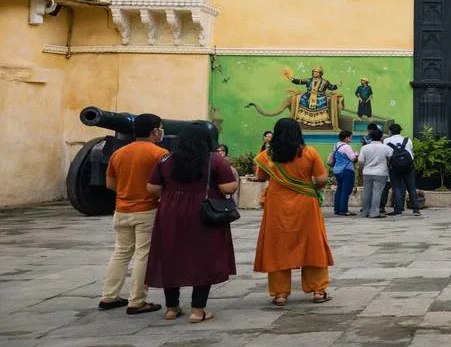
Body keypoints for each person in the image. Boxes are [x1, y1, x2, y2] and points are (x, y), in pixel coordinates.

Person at [146, 123, 238, 323]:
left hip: (169, 213)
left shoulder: (166, 159)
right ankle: (197, 310)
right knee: (203, 258)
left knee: (171, 255)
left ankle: (172, 308)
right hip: (202, 213)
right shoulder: (215, 161)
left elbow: (152, 189)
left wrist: (173, 194)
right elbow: (228, 187)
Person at [253, 118, 334, 306]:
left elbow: (260, 176)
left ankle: (280, 294)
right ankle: (318, 290)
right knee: (312, 243)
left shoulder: (267, 155)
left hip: (277, 206)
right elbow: (321, 179)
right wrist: (309, 187)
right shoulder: (309, 152)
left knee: (277, 246)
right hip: (306, 205)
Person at [98, 113, 166, 315]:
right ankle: (137, 300)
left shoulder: (118, 153)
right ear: (155, 131)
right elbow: (162, 184)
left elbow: (110, 184)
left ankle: (109, 296)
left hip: (121, 209)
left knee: (120, 253)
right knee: (143, 255)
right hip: (147, 209)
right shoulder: (159, 153)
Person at [385, 123, 420, 217]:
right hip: (408, 167)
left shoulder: (386, 141)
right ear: (400, 130)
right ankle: (416, 209)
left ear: (390, 131)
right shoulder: (407, 140)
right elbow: (411, 151)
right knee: (411, 188)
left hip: (395, 167)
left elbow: (387, 155)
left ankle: (398, 209)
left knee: (396, 187)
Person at [358, 128, 391, 219]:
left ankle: (365, 212)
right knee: (377, 193)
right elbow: (391, 158)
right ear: (381, 137)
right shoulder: (386, 147)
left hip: (367, 172)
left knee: (367, 192)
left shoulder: (364, 148)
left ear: (371, 137)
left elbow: (360, 161)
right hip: (381, 173)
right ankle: (374, 212)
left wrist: (361, 171)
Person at [329, 130, 357, 216]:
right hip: (346, 170)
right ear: (346, 138)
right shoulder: (347, 147)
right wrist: (356, 154)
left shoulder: (336, 145)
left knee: (339, 189)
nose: (351, 138)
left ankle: (337, 209)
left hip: (337, 170)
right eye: (350, 137)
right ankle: (344, 210)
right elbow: (353, 159)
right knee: (346, 190)